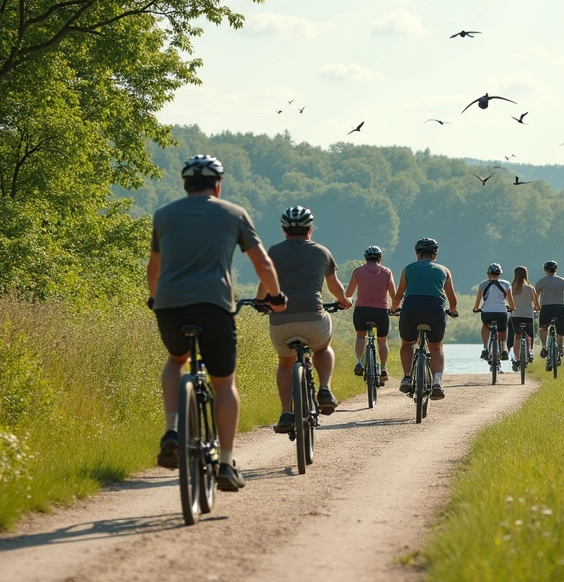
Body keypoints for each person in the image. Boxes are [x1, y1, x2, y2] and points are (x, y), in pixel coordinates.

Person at [148, 154, 286, 491]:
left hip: (170, 306)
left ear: (185, 184)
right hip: (214, 305)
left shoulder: (163, 215)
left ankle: (172, 430)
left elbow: (154, 268)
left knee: (175, 360)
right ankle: (225, 464)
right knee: (224, 383)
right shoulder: (233, 213)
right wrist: (276, 296)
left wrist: (156, 298)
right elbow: (262, 262)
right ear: (218, 185)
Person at [257, 206, 352, 435]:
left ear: (284, 230)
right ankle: (325, 389)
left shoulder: (273, 252)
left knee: (285, 363)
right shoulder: (322, 252)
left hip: (282, 321)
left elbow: (264, 286)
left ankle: (285, 413)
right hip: (313, 318)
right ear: (310, 230)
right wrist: (344, 301)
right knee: (323, 348)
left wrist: (260, 302)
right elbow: (335, 286)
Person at [390, 238, 460, 399]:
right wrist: (453, 310)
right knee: (436, 347)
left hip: (411, 309)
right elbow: (452, 299)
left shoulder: (408, 269)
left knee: (407, 344)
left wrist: (394, 309)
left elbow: (398, 296)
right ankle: (436, 381)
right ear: (434, 255)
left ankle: (407, 377)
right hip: (435, 310)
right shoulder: (444, 270)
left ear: (418, 254)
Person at [345, 245, 396, 384]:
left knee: (361, 336)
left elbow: (349, 293)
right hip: (381, 311)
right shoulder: (387, 272)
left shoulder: (358, 271)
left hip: (362, 310)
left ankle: (358, 363)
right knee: (382, 340)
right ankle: (384, 368)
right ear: (380, 258)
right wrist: (394, 308)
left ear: (365, 258)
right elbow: (393, 294)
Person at [473, 263, 514, 361]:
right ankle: (504, 349)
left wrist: (475, 308)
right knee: (503, 328)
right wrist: (512, 308)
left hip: (487, 313)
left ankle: (485, 348)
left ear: (488, 274)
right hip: (501, 313)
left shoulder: (483, 284)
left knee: (485, 325)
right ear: (500, 274)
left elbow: (478, 300)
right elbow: (510, 301)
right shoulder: (506, 284)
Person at [536, 260, 564, 361]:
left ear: (545, 270)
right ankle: (560, 347)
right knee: (560, 330)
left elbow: (535, 295)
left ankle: (544, 346)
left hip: (546, 308)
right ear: (555, 269)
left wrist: (536, 306)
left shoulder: (542, 281)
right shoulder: (562, 281)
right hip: (559, 308)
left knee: (543, 328)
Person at [507, 266, 538, 370]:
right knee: (530, 335)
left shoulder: (511, 288)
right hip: (528, 315)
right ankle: (530, 352)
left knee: (517, 336)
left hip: (515, 316)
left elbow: (507, 302)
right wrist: (536, 308)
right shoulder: (531, 288)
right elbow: (537, 305)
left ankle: (517, 359)